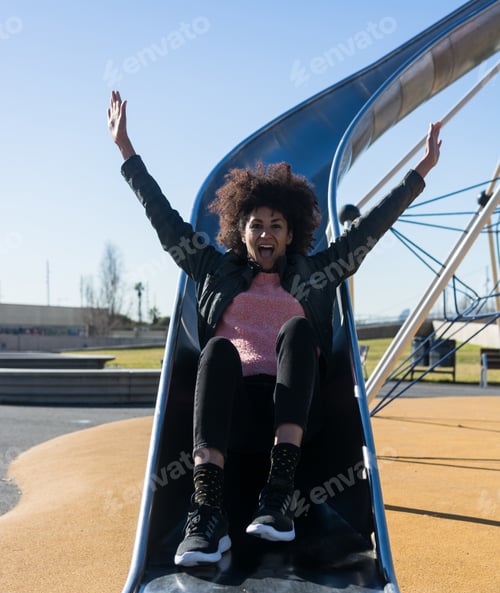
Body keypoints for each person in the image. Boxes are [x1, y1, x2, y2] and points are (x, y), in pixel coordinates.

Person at [107, 90, 441, 567]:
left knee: (299, 332)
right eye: (257, 224)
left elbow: (366, 232)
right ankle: (207, 514)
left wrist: (418, 175)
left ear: (291, 233)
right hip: (235, 415)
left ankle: (278, 497)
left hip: (296, 417)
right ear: (241, 230)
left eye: (276, 225)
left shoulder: (315, 273)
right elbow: (165, 221)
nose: (266, 234)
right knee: (219, 351)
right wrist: (126, 152)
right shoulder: (213, 269)